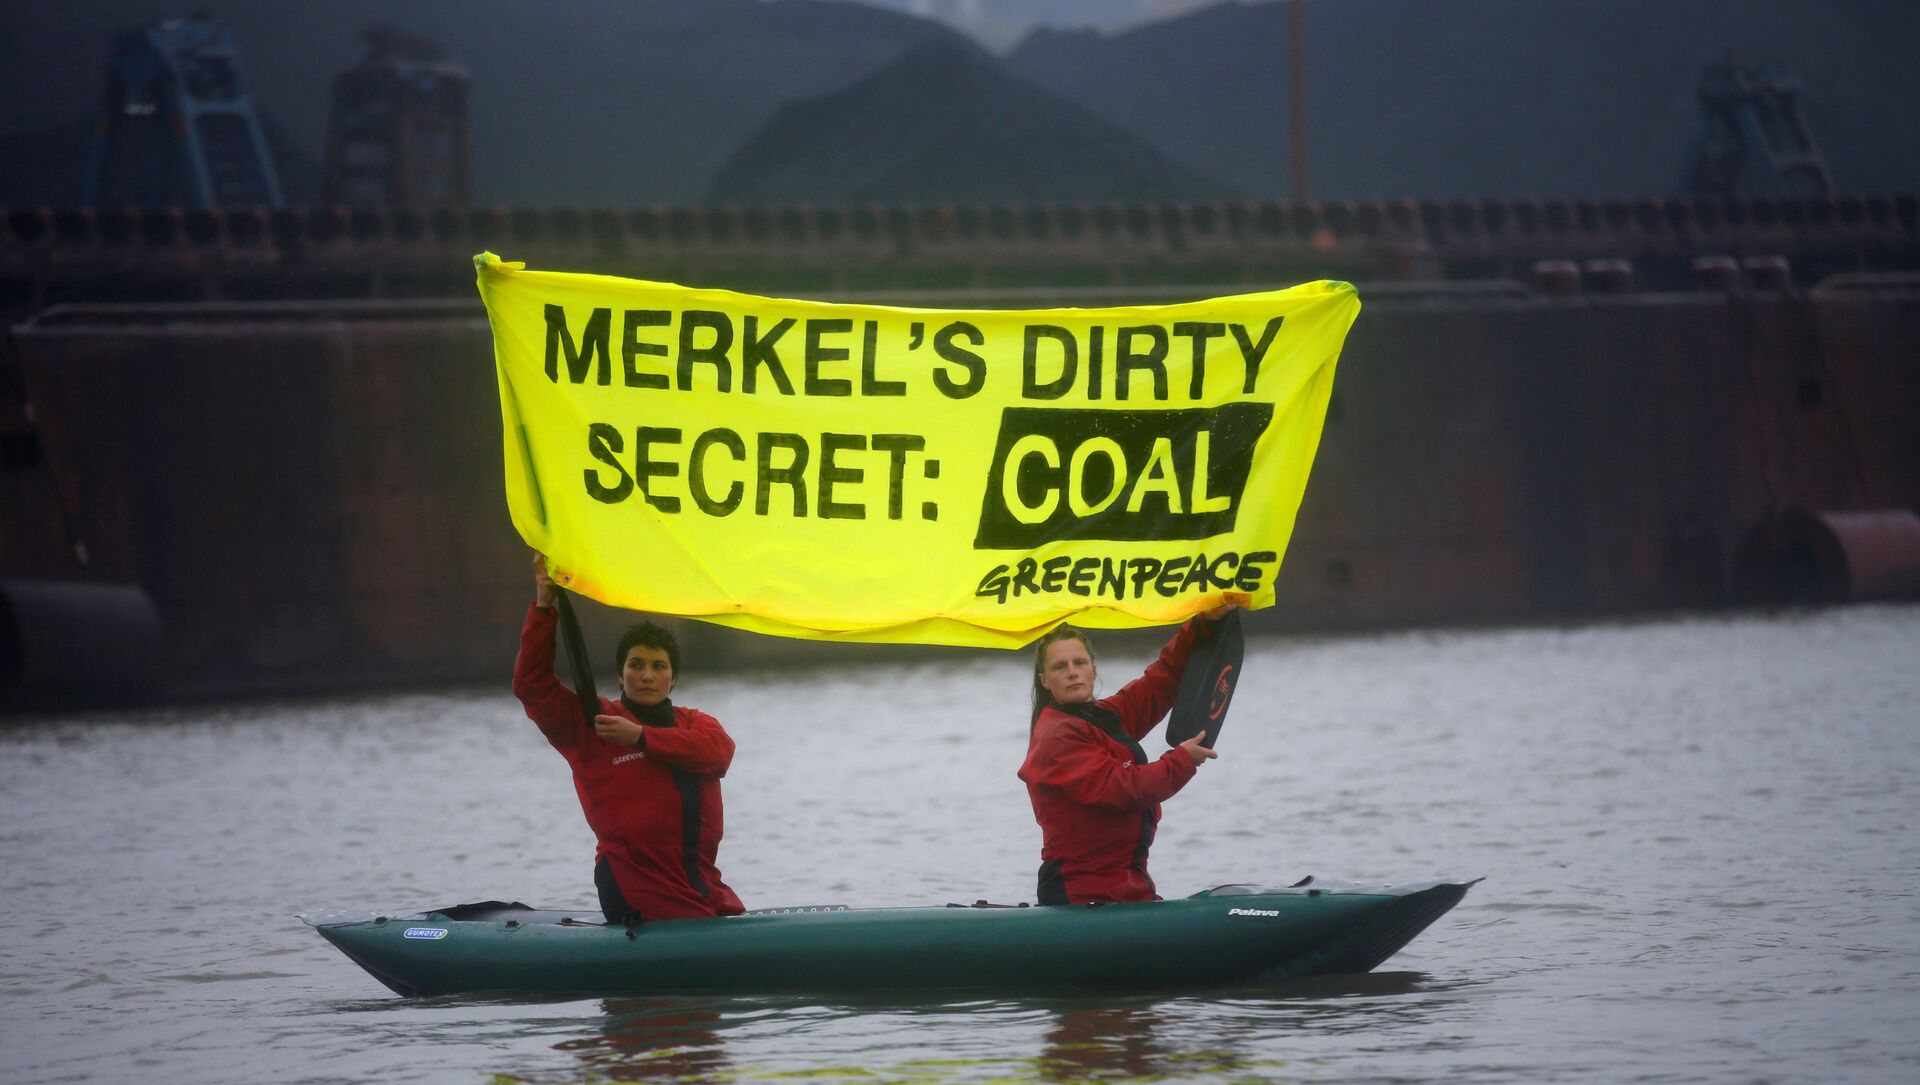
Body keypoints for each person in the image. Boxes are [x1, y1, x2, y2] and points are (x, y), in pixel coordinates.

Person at [513, 551, 745, 922]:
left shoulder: (696, 723)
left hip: (699, 881)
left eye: (658, 666)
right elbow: (532, 686)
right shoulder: (592, 724)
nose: (647, 675)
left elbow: (720, 754)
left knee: (725, 923)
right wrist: (544, 607)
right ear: (620, 677)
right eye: (636, 665)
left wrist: (640, 736)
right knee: (704, 932)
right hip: (633, 882)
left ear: (673, 679)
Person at [1017, 598, 1243, 906]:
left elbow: (1160, 681)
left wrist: (1203, 623)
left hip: (1126, 884)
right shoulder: (1056, 737)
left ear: (1093, 669)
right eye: (1060, 667)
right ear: (1045, 681)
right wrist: (1182, 760)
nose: (1072, 672)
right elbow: (1124, 788)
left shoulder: (1103, 717)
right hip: (1081, 893)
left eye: (1079, 663)